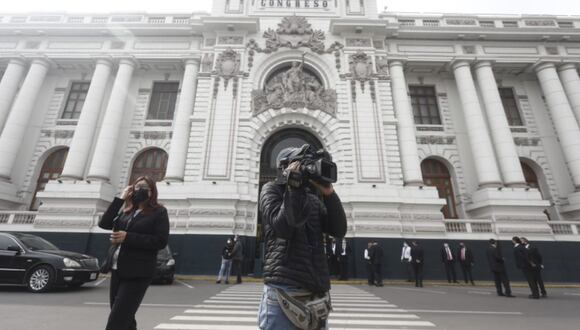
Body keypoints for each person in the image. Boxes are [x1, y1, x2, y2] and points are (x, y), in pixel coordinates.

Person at [258, 145, 347, 330]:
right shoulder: (271, 190)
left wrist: (329, 193)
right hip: (285, 292)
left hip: (316, 293)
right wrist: (293, 185)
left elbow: (338, 230)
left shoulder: (312, 198)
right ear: (285, 167)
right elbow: (285, 227)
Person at [98, 176, 170, 330]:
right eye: (136, 186)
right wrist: (121, 198)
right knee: (125, 317)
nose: (139, 189)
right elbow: (104, 223)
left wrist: (128, 237)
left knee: (117, 319)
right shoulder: (127, 211)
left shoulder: (159, 212)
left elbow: (160, 241)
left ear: (151, 192)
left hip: (138, 272)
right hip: (118, 269)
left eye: (144, 187)